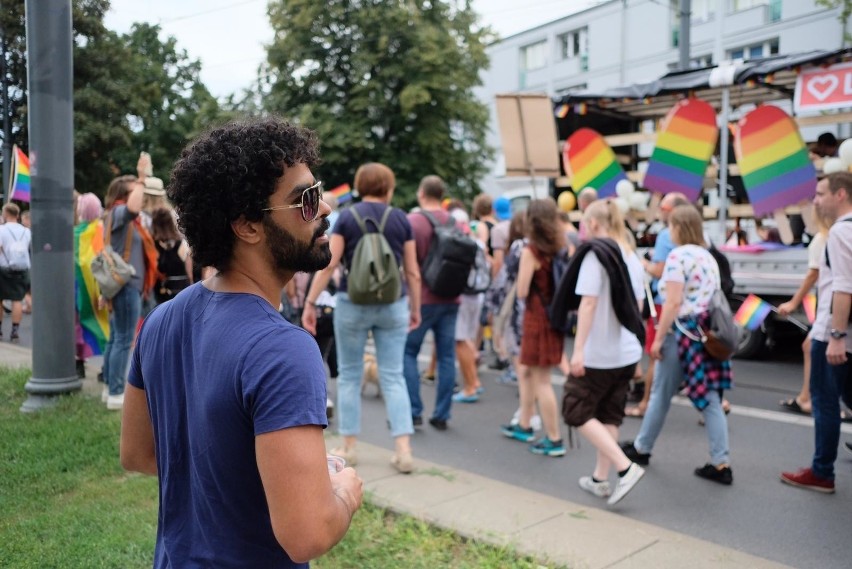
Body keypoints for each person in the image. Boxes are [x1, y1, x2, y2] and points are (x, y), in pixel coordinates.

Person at [120, 117, 363, 566]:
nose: (325, 208)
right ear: (247, 226)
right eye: (305, 200)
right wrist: (343, 493)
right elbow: (306, 532)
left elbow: (138, 454)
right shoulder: (284, 349)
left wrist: (278, 471)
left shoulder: (159, 321)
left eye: (319, 190)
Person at [302, 162, 421, 473]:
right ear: (389, 188)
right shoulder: (400, 219)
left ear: (359, 185)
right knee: (393, 376)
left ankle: (350, 446)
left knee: (351, 375)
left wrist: (310, 302)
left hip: (352, 303)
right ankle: (403, 449)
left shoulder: (347, 218)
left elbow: (330, 265)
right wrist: (416, 308)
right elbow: (412, 271)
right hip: (393, 303)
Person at [621, 205, 734, 485]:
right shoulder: (708, 257)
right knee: (709, 396)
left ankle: (643, 448)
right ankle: (721, 461)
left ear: (678, 228)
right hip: (704, 333)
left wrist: (659, 338)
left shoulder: (676, 257)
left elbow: (672, 302)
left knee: (661, 391)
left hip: (680, 332)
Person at [560, 199, 646, 504]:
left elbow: (589, 303)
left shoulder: (596, 255)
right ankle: (600, 478)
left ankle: (624, 468)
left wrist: (578, 350)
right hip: (626, 351)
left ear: (594, 224)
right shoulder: (631, 257)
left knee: (575, 409)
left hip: (600, 351)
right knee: (609, 413)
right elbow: (637, 309)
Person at [781, 171, 852, 494]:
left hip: (835, 333)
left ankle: (822, 472)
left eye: (821, 194)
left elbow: (843, 286)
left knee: (825, 402)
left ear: (840, 195)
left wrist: (836, 335)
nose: (815, 200)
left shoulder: (840, 232)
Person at [500, 198, 566, 457]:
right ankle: (525, 423)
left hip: (536, 318)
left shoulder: (531, 251)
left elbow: (523, 291)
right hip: (552, 316)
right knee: (527, 371)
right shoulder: (559, 247)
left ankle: (554, 438)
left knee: (542, 381)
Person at [101, 158, 159, 410]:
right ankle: (115, 392)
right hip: (127, 285)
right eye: (135, 189)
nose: (141, 194)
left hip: (125, 285)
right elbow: (134, 207)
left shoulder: (117, 217)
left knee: (117, 337)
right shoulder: (120, 213)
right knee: (124, 339)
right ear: (124, 195)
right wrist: (142, 177)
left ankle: (109, 387)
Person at [627, 192, 690, 418]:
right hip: (693, 308)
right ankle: (715, 403)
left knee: (658, 353)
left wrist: (645, 263)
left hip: (666, 303)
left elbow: (661, 271)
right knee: (690, 356)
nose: (660, 212)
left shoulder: (667, 236)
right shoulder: (700, 238)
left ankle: (645, 404)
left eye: (663, 208)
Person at [404, 175, 460, 431]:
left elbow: (408, 264)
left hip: (424, 297)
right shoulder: (455, 222)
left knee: (409, 353)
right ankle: (442, 414)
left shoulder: (413, 221)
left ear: (422, 193)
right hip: (452, 297)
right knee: (447, 356)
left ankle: (414, 411)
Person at [777, 213, 830, 415]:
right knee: (811, 347)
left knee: (813, 347)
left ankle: (809, 398)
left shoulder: (823, 238)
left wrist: (794, 302)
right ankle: (806, 396)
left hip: (832, 306)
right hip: (833, 306)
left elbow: (812, 274)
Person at [73, 193, 109, 378]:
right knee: (103, 324)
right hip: (96, 286)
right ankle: (105, 368)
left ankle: (79, 362)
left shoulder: (75, 233)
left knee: (77, 325)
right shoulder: (101, 230)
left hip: (76, 287)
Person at [0, 203, 31, 343]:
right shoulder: (26, 231)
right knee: (17, 300)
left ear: (5, 214)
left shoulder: (1, 230)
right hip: (22, 269)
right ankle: (14, 331)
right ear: (18, 215)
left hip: (3, 268)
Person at [150, 207, 193, 305]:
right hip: (182, 289)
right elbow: (189, 270)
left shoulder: (153, 244)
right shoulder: (181, 243)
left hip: (160, 291)